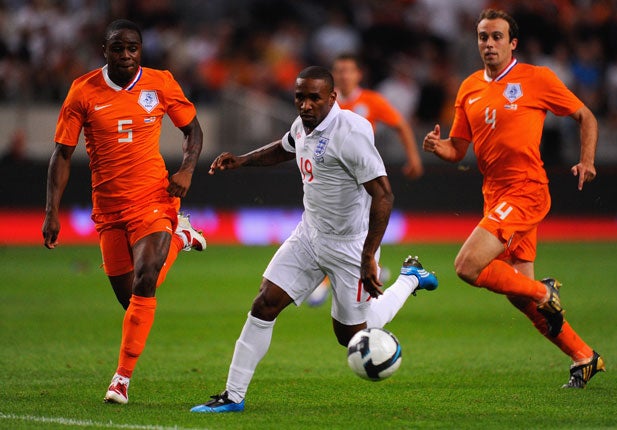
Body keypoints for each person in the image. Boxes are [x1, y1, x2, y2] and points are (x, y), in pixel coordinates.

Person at [190, 66, 438, 413]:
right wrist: (242, 161)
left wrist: (369, 257)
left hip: (351, 245)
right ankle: (233, 396)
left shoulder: (350, 134)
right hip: (309, 234)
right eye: (299, 97)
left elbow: (384, 196)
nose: (305, 105)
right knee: (264, 303)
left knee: (351, 336)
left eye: (314, 98)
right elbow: (286, 147)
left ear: (332, 98)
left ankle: (410, 279)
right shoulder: (303, 125)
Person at [422, 9, 604, 389]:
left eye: (496, 37)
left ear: (512, 43)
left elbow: (586, 116)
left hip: (526, 189)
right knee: (522, 299)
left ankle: (545, 290)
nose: (488, 44)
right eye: (483, 37)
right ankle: (584, 356)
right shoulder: (469, 86)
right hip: (494, 194)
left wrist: (586, 161)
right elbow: (459, 149)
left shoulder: (536, 79)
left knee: (467, 266)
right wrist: (440, 149)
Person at [42, 19, 206, 405]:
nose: (126, 55)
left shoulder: (161, 83)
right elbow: (62, 154)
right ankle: (181, 238)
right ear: (105, 50)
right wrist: (52, 211)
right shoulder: (83, 91)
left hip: (153, 196)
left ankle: (120, 380)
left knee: (146, 281)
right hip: (109, 208)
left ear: (140, 50)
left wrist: (185, 170)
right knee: (131, 297)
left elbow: (193, 130)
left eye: (133, 48)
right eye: (118, 48)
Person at [306, 53, 425, 307]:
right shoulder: (326, 101)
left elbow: (401, 125)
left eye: (348, 70)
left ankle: (332, 280)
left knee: (349, 230)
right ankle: (368, 271)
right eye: (338, 71)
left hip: (360, 177)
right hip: (331, 175)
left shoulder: (371, 101)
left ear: (359, 74)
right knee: (332, 225)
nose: (343, 75)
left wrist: (413, 158)